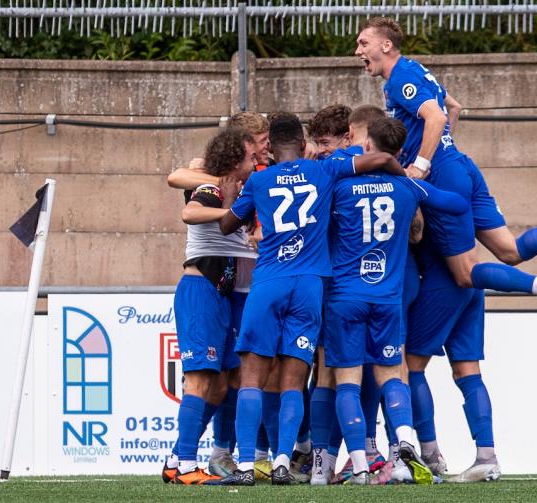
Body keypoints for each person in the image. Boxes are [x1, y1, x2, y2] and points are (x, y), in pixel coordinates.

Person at [355, 17, 537, 481]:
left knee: (466, 273)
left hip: (443, 173)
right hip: (463, 165)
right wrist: (444, 149)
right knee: (508, 249)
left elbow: (435, 115)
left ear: (386, 44)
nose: (358, 50)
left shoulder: (402, 76)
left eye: (364, 42)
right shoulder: (417, 71)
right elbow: (452, 104)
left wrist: (423, 164)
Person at [216, 112, 407, 486]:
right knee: (294, 378)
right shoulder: (323, 170)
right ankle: (285, 461)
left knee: (252, 377)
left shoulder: (258, 179)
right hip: (310, 285)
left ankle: (243, 466)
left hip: (270, 280)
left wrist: (228, 195)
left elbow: (226, 225)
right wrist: (406, 183)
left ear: (269, 147)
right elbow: (383, 159)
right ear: (304, 145)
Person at [324, 116, 469, 485]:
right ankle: (404, 445)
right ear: (401, 151)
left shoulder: (340, 185)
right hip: (387, 299)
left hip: (345, 297)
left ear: (367, 146)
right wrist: (418, 180)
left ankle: (359, 465)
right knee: (392, 376)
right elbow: (455, 204)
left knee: (347, 383)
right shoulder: (408, 187)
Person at [166, 112, 280, 480]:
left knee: (226, 381)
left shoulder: (252, 184)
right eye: (252, 153)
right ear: (237, 156)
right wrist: (232, 213)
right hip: (201, 290)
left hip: (227, 293)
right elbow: (189, 210)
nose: (258, 158)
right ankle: (184, 464)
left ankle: (181, 458)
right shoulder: (213, 187)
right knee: (200, 380)